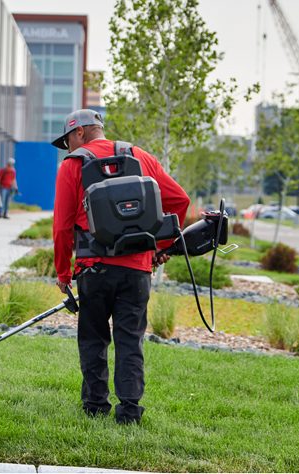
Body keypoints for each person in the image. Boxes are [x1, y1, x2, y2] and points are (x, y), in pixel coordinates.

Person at [51, 109, 190, 425]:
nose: (68, 147)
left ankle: (95, 407)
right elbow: (180, 201)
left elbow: (61, 226)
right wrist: (161, 248)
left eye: (68, 140)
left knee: (94, 338)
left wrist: (62, 274)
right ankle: (129, 412)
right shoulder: (140, 156)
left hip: (93, 268)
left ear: (81, 133)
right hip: (137, 270)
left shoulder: (72, 166)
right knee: (130, 339)